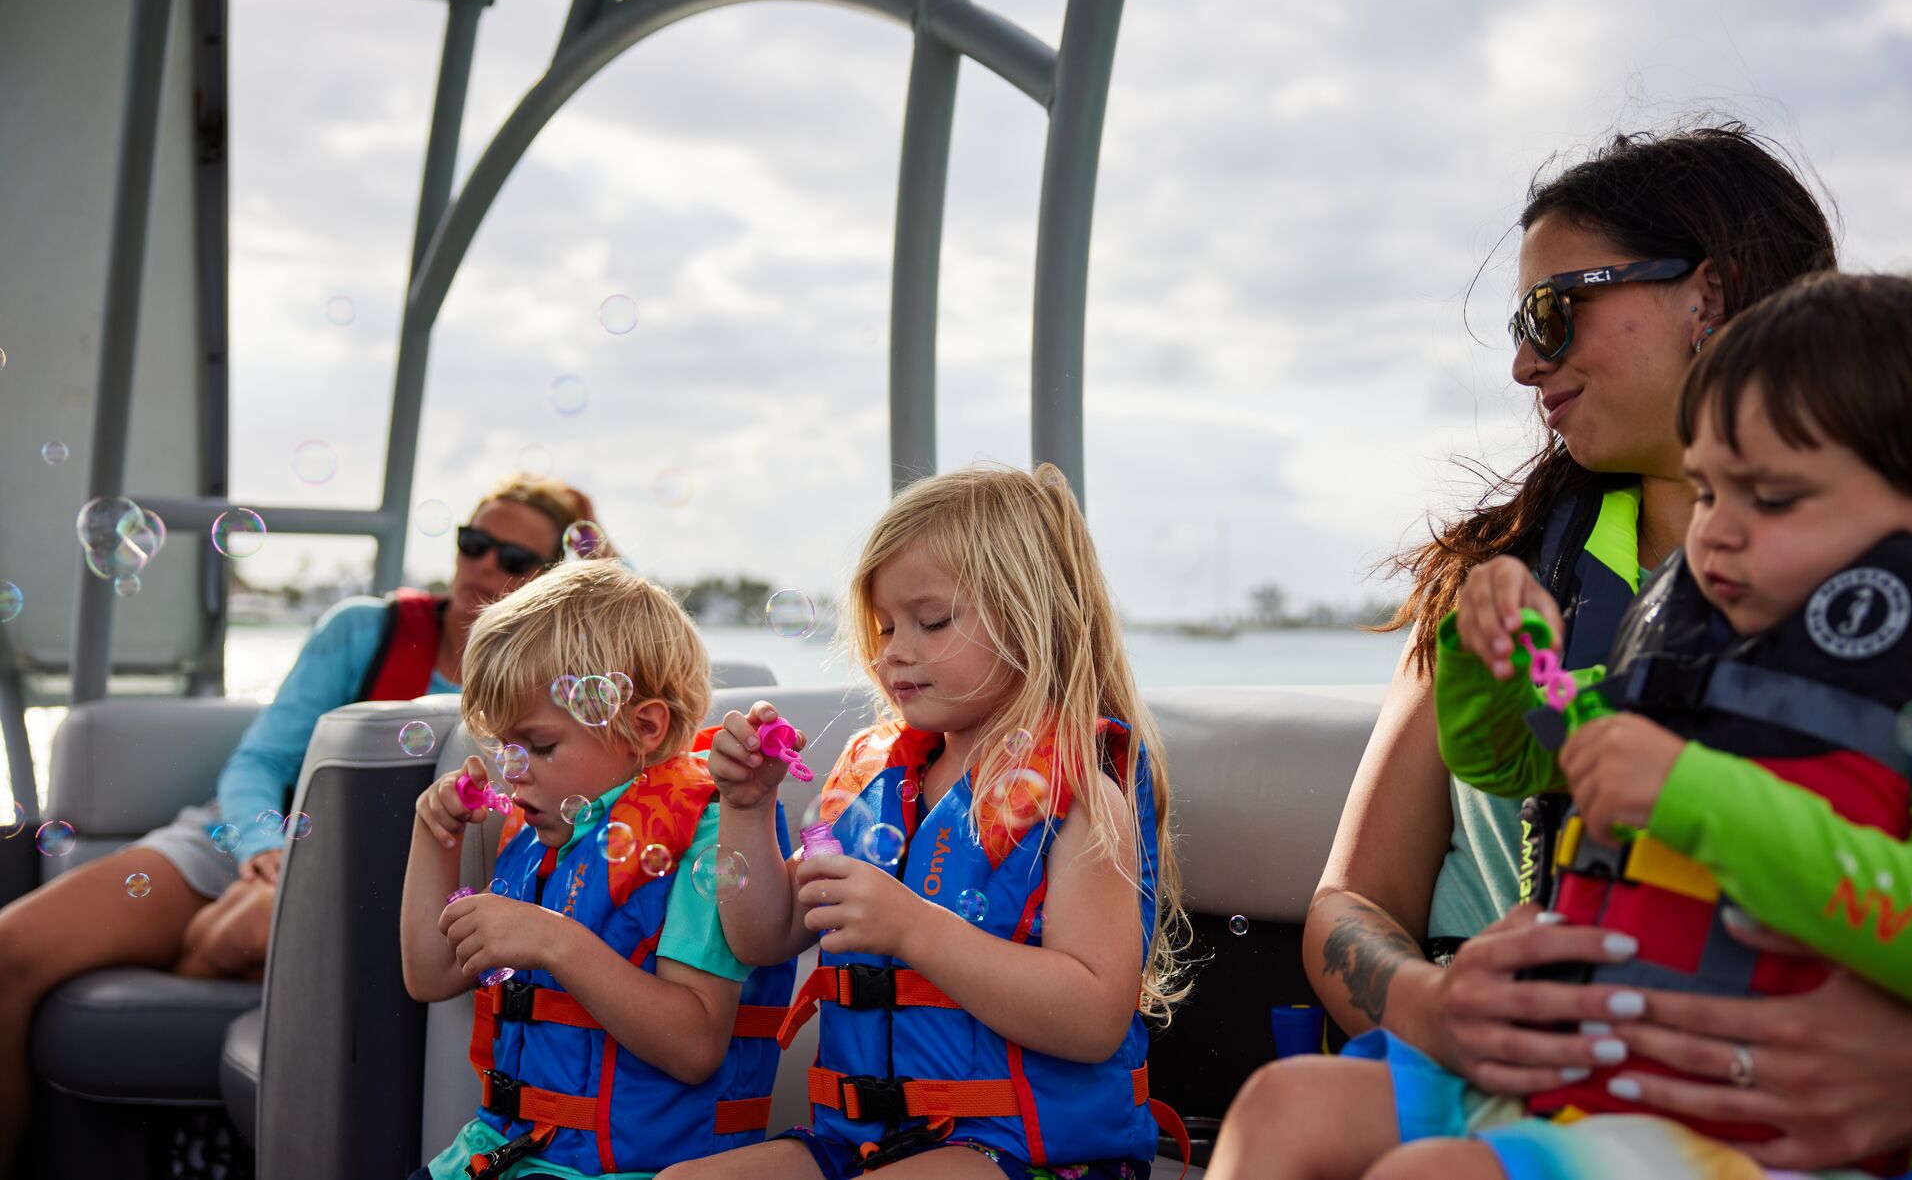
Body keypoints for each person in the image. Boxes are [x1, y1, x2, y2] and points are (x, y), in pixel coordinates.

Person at [1213, 123, 1912, 1176]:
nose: (1522, 361)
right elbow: (1355, 897)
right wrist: (1435, 1004)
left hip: (1727, 1095)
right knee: (1287, 1112)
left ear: (1708, 298)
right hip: (1536, 1065)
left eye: (1555, 309)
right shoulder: (1500, 581)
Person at [0, 473, 597, 1173]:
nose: (486, 566)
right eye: (474, 543)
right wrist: (264, 847)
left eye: (516, 560)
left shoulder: (550, 681)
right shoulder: (366, 630)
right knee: (10, 950)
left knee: (241, 930)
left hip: (358, 877)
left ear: (554, 579)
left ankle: (198, 940)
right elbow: (259, 761)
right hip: (240, 837)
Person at [659, 463, 1187, 1180]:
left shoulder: (1082, 797)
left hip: (1026, 1155)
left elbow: (1095, 1020)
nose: (892, 652)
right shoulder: (873, 778)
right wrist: (747, 809)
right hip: (863, 1143)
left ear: (1031, 617)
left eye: (931, 622)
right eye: (882, 628)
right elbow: (762, 936)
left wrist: (912, 927)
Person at [402, 560, 797, 1180]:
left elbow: (695, 1047)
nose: (513, 771)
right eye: (504, 747)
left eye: (539, 745)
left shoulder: (707, 837)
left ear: (642, 726)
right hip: (496, 1156)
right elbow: (428, 974)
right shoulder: (542, 838)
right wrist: (435, 836)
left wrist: (555, 941)